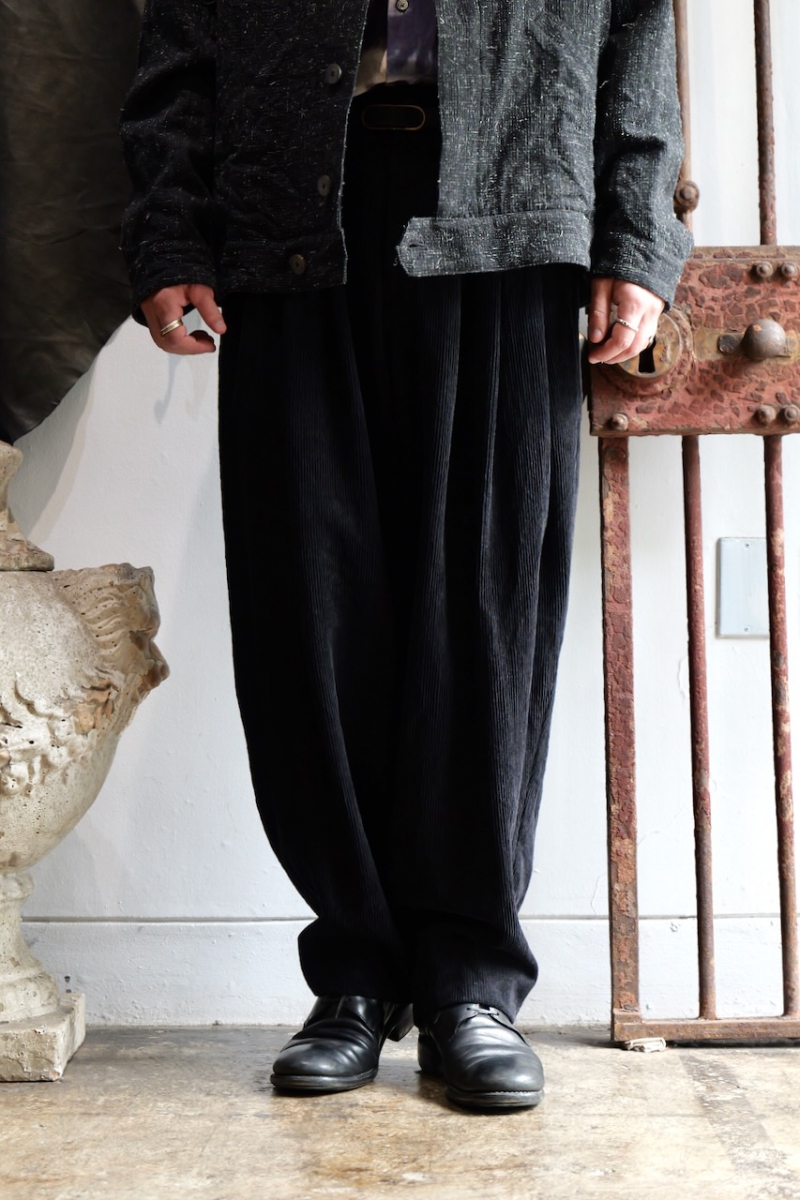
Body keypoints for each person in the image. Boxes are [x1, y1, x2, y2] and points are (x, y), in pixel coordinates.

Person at [120, 0, 692, 1110]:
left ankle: (469, 981)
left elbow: (636, 33)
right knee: (308, 602)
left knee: (485, 609)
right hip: (286, 202)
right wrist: (169, 231)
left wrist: (635, 234)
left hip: (516, 196)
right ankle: (353, 973)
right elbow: (180, 36)